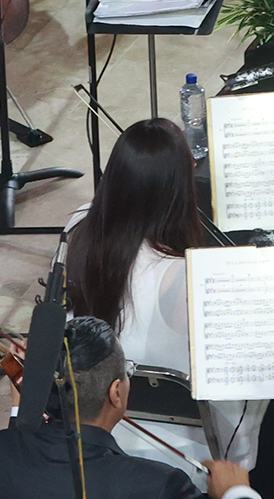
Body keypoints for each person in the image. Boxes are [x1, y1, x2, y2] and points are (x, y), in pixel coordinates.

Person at [61, 120, 262, 468]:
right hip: (178, 450)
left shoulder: (77, 226)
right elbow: (231, 381)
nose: (195, 165)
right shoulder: (185, 275)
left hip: (91, 424)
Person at [0, 316, 274, 499]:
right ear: (116, 392)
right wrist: (237, 493)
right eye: (128, 371)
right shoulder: (156, 487)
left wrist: (22, 411)